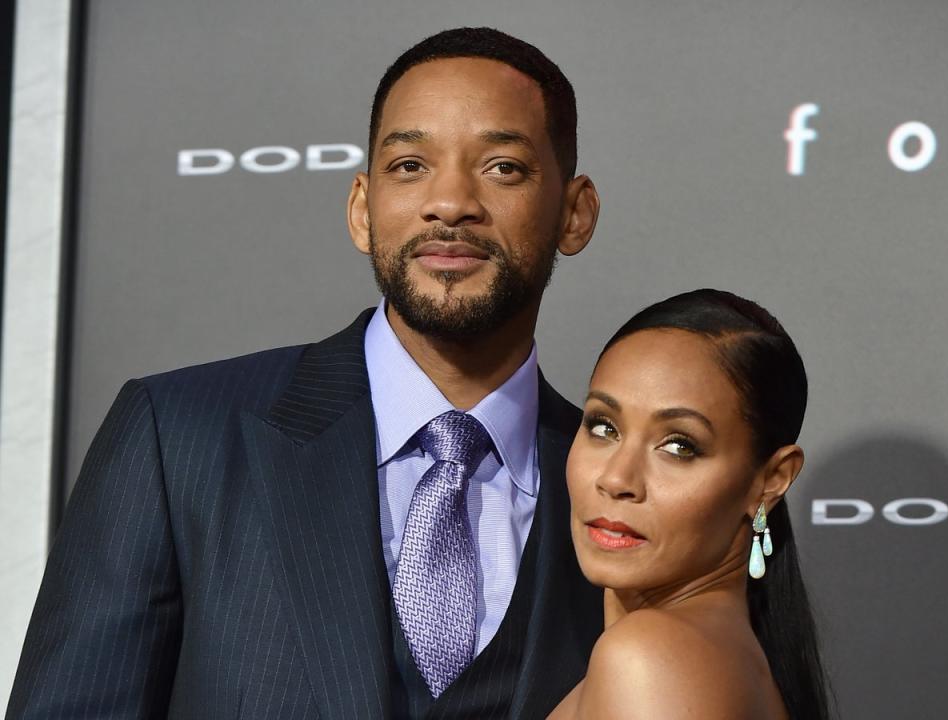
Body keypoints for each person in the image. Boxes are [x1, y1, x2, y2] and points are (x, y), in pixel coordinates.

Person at [8, 28, 603, 719]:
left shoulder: (620, 488)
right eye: (409, 165)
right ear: (361, 208)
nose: (450, 203)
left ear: (575, 212)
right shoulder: (177, 438)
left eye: (502, 167)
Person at [549, 289, 832, 720]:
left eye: (679, 446)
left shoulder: (649, 659)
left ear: (771, 480)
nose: (616, 479)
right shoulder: (723, 656)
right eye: (604, 427)